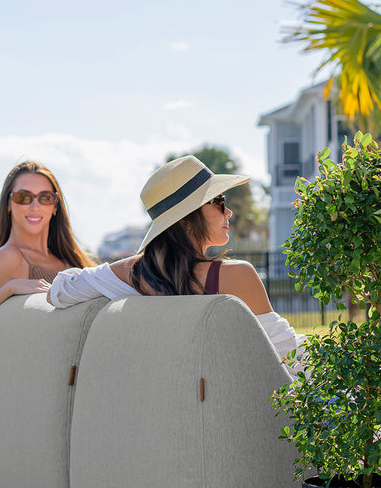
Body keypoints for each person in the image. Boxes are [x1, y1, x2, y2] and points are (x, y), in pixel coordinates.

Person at [47, 154, 304, 367]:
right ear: (187, 218)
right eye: (218, 201)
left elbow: (62, 290)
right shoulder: (237, 277)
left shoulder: (129, 275)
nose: (229, 211)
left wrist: (14, 287)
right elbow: (288, 356)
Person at [0, 161, 95, 344]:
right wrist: (8, 289)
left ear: (55, 207)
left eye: (45, 197)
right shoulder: (9, 258)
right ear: (9, 204)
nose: (35, 206)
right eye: (23, 197)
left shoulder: (68, 259)